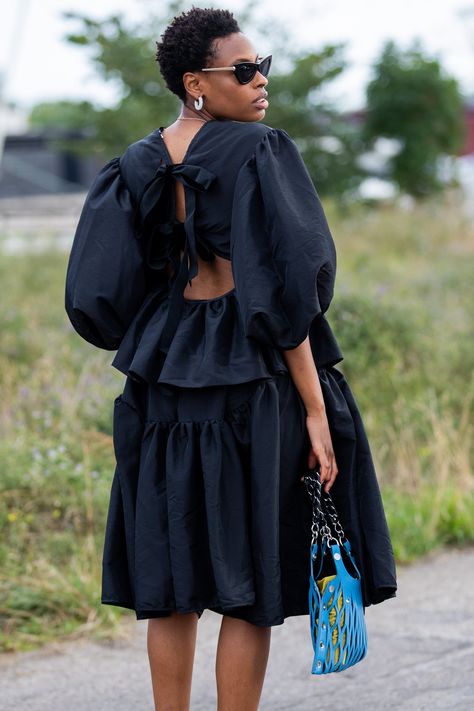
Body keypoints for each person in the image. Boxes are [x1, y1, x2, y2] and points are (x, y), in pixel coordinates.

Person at [64, 6, 397, 710]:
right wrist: (315, 408)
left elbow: (102, 290)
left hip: (162, 376)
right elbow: (283, 296)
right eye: (242, 71)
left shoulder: (136, 163)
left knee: (172, 579)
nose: (260, 82)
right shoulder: (259, 151)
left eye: (262, 67)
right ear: (196, 82)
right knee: (249, 581)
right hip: (251, 381)